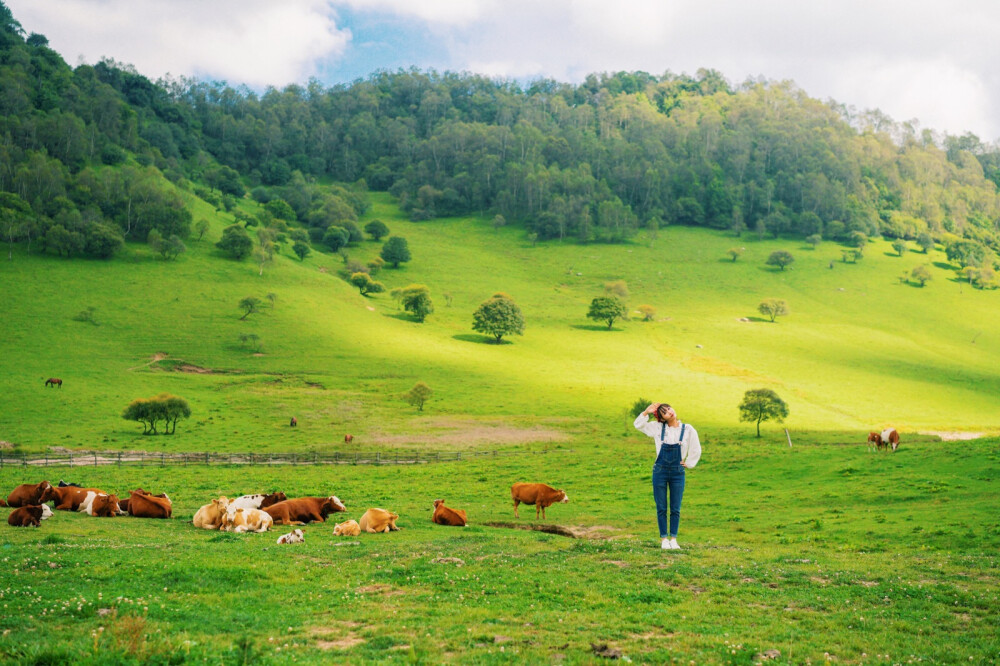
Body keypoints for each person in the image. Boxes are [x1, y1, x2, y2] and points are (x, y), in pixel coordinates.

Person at [634, 403, 702, 550]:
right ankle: (664, 539)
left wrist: (689, 463)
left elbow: (696, 448)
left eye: (669, 409)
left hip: (678, 472)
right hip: (660, 471)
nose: (669, 412)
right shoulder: (658, 428)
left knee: (676, 507)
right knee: (661, 507)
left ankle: (674, 539)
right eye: (664, 412)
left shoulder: (688, 429)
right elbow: (638, 425)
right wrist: (646, 412)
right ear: (662, 419)